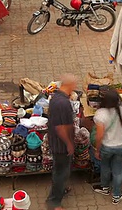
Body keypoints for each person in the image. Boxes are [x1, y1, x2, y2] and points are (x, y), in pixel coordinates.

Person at [92, 88, 122, 205]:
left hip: (107, 146)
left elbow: (99, 136)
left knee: (105, 166)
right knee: (118, 169)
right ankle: (117, 195)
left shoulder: (101, 114)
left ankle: (105, 188)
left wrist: (97, 150)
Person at [46, 74, 76, 210]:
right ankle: (54, 202)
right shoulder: (63, 103)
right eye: (74, 85)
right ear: (69, 85)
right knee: (61, 171)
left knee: (61, 169)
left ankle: (61, 187)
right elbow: (60, 128)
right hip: (61, 145)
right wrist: (69, 144)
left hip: (55, 141)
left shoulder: (56, 96)